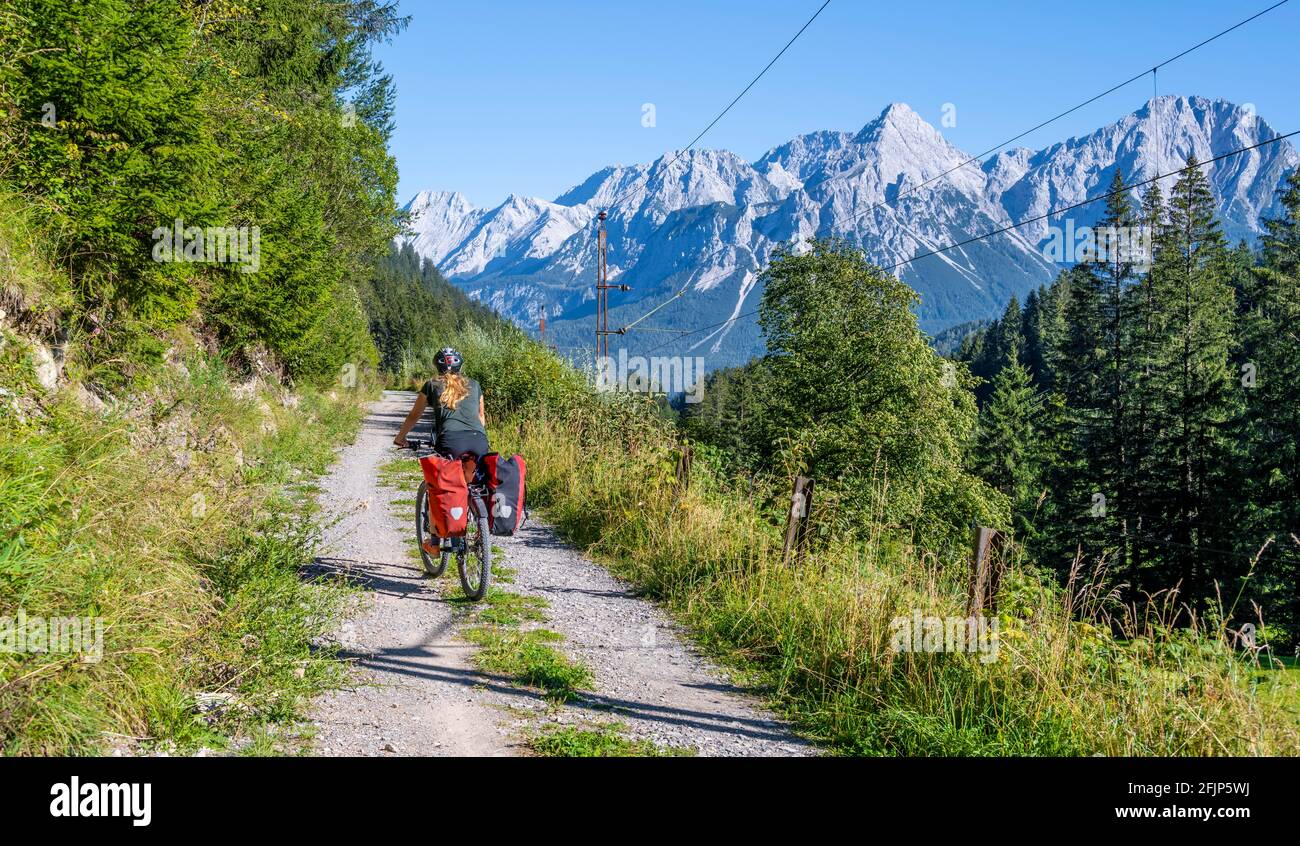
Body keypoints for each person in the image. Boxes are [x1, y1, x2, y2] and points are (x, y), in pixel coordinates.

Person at [393, 347, 488, 457]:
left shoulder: (432, 385)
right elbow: (481, 417)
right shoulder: (475, 385)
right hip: (479, 441)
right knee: (476, 473)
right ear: (460, 366)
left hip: (450, 441)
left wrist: (400, 438)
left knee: (444, 473)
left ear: (437, 366)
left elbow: (414, 415)